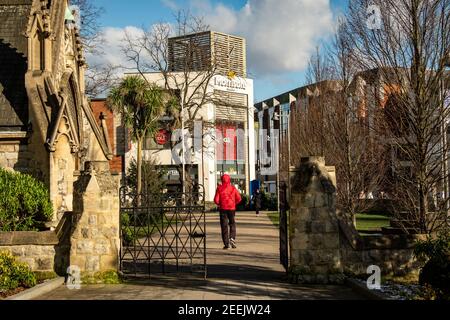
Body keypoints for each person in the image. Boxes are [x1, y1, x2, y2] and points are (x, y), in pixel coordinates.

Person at [214, 174, 242, 249]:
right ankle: (232, 238)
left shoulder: (219, 188)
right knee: (232, 223)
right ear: (229, 180)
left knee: (224, 226)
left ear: (222, 180)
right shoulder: (233, 188)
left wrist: (220, 203)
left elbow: (216, 200)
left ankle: (226, 244)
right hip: (232, 209)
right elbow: (239, 198)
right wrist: (234, 203)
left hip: (223, 209)